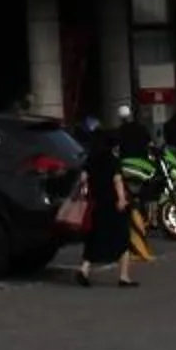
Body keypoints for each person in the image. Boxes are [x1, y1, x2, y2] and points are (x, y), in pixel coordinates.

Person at [75, 122, 138, 288]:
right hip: (112, 204)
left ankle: (84, 270)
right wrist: (122, 199)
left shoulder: (91, 159)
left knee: (95, 237)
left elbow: (83, 178)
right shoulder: (112, 160)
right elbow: (117, 180)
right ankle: (124, 276)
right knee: (123, 239)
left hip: (96, 203)